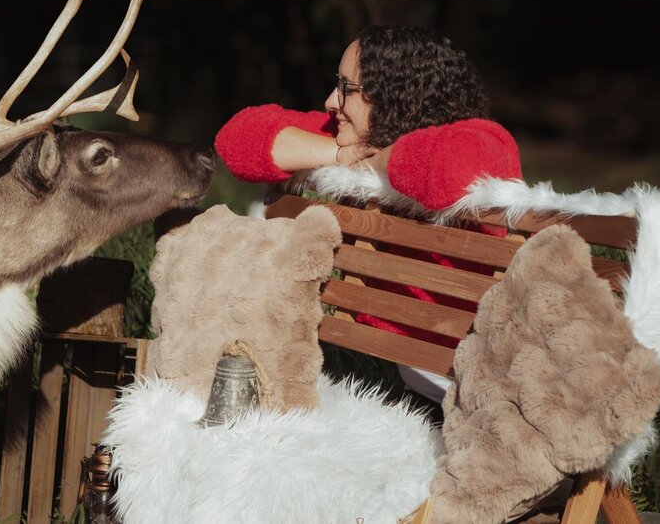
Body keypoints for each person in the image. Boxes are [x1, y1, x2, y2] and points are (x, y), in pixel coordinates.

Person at [214, 24, 522, 403]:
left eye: (347, 89)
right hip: (430, 387)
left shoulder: (484, 140)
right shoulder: (353, 139)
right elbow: (238, 139)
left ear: (396, 94)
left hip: (500, 386)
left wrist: (376, 157)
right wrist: (339, 156)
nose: (331, 101)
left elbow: (449, 172)